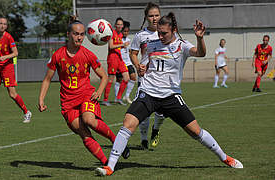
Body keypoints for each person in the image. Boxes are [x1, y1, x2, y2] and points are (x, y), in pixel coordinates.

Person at [95, 12, 243, 176]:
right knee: (128, 124)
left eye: (164, 33)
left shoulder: (182, 45)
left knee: (195, 132)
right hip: (148, 93)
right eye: (159, 32)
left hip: (171, 97)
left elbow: (200, 53)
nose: (161, 36)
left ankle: (225, 157)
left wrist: (200, 38)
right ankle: (110, 166)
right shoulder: (151, 45)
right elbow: (142, 67)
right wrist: (141, 69)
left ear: (174, 30)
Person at [38, 18, 129, 165]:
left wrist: (99, 91)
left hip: (86, 95)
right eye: (76, 34)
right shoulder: (58, 55)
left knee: (89, 120)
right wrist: (41, 99)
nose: (79, 37)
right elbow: (47, 79)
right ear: (68, 34)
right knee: (83, 133)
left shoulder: (88, 54)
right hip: (68, 102)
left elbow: (104, 76)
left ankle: (116, 141)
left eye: (82, 34)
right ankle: (107, 164)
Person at [0, 17, 31, 124]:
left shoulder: (9, 38)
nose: (2, 25)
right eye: (0, 23)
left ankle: (27, 112)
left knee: (12, 94)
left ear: (6, 26)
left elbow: (16, 53)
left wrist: (5, 57)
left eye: (4, 24)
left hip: (7, 68)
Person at [129, 2, 165, 150]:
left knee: (161, 112)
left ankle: (155, 130)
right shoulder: (140, 35)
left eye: (157, 15)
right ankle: (144, 139)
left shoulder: (166, 33)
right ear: (146, 17)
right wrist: (138, 66)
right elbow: (133, 53)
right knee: (143, 111)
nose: (154, 18)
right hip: (145, 78)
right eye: (151, 15)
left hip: (163, 77)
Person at [101, 17, 130, 106]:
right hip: (112, 58)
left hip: (119, 58)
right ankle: (105, 100)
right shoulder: (111, 33)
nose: (120, 26)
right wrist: (122, 44)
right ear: (115, 25)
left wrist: (124, 46)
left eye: (121, 24)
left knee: (126, 78)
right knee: (111, 79)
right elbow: (111, 46)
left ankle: (118, 98)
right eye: (118, 24)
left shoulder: (120, 35)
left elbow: (118, 46)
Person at [114, 21, 137, 104]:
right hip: (119, 62)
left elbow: (130, 52)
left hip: (128, 63)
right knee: (119, 80)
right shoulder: (117, 39)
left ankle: (127, 96)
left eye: (127, 31)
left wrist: (134, 62)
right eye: (124, 31)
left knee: (133, 77)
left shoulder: (128, 40)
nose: (126, 33)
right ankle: (117, 97)